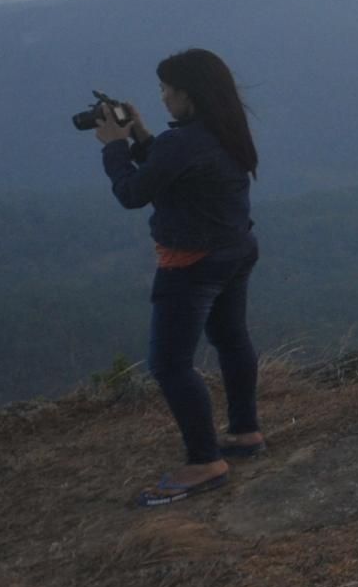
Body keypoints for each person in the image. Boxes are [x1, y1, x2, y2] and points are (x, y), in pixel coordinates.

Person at [92, 48, 263, 505]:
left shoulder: (183, 142)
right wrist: (144, 136)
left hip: (191, 264)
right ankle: (245, 431)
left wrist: (113, 145)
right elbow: (175, 170)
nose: (163, 98)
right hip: (237, 249)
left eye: (168, 91)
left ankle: (205, 460)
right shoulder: (225, 129)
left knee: (169, 364)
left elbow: (132, 192)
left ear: (189, 94)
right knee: (231, 339)